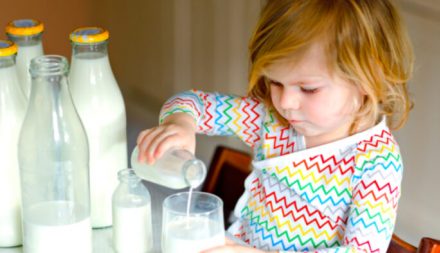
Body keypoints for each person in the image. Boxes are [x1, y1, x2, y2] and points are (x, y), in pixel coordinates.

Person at [137, 0, 414, 252]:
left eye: (308, 88)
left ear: (368, 79)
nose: (286, 102)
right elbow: (192, 103)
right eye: (275, 82)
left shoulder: (377, 160)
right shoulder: (271, 120)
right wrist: (181, 122)